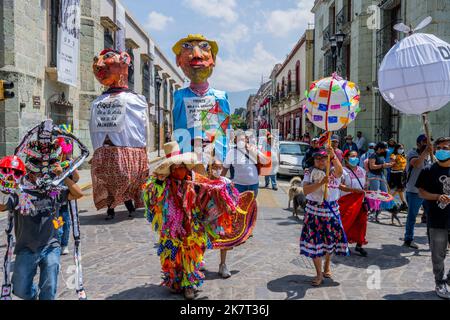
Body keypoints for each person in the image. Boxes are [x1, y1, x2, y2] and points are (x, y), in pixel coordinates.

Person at [143, 141, 239, 300]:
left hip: (192, 225)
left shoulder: (195, 178)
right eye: (174, 167)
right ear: (170, 169)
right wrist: (158, 182)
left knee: (190, 254)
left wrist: (222, 191)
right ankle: (174, 280)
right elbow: (150, 196)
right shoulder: (163, 182)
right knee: (172, 254)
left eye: (180, 165)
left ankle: (189, 285)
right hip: (171, 227)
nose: (178, 169)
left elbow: (210, 188)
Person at [1, 125, 84, 300]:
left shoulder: (55, 190)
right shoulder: (21, 192)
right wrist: (6, 185)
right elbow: (2, 206)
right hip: (25, 248)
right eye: (36, 167)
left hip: (50, 247)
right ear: (29, 170)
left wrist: (64, 176)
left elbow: (78, 193)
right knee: (21, 290)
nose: (40, 173)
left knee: (49, 289)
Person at [91, 49, 149, 220]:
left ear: (124, 61)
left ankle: (128, 206)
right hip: (106, 152)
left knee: (127, 180)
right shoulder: (97, 102)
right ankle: (111, 208)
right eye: (98, 60)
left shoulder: (136, 99)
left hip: (128, 152)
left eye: (107, 58)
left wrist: (143, 148)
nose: (99, 64)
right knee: (110, 183)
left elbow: (142, 127)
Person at [172, 34, 231, 163]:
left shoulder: (219, 97)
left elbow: (223, 134)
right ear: (178, 60)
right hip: (186, 163)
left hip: (213, 162)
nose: (197, 55)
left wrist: (222, 162)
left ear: (213, 59)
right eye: (187, 47)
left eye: (204, 47)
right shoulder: (179, 97)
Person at [300, 147, 348, 287]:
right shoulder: (309, 172)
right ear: (313, 160)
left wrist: (333, 156)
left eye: (323, 158)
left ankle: (327, 265)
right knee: (315, 244)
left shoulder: (334, 171)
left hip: (331, 211)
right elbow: (306, 190)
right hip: (314, 213)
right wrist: (321, 183)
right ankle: (319, 274)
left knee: (330, 243)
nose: (320, 161)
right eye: (317, 159)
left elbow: (340, 172)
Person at [415, 137, 450, 299]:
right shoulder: (428, 170)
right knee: (438, 254)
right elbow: (421, 192)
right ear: (435, 150)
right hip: (437, 219)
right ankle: (440, 281)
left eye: (447, 147)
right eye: (440, 147)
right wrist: (437, 196)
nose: (443, 150)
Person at [403, 134, 433, 249]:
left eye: (429, 142)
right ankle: (408, 239)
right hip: (414, 191)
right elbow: (416, 164)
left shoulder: (431, 156)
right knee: (412, 216)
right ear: (418, 143)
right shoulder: (412, 153)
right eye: (425, 142)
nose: (427, 144)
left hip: (428, 192)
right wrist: (425, 152)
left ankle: (432, 240)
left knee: (431, 216)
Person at [339, 150, 369, 257]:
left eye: (356, 156)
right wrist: (353, 190)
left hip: (360, 201)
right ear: (346, 158)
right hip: (347, 201)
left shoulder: (362, 170)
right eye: (352, 156)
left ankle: (359, 244)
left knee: (362, 222)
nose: (355, 158)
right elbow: (339, 186)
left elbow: (365, 182)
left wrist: (366, 186)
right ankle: (342, 244)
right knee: (346, 222)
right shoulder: (342, 171)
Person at [222, 130, 270, 197]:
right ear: (235, 141)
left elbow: (266, 160)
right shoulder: (232, 152)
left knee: (251, 206)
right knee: (238, 206)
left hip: (253, 185)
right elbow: (224, 169)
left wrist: (252, 151)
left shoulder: (253, 149)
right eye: (238, 139)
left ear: (246, 140)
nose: (240, 141)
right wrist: (220, 183)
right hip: (238, 186)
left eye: (242, 139)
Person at [368, 142, 393, 222]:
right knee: (375, 194)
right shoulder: (373, 155)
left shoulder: (382, 155)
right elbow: (372, 166)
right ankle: (373, 212)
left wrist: (388, 164)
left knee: (384, 193)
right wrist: (383, 166)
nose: (385, 150)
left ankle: (378, 212)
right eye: (384, 149)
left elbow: (383, 164)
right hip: (374, 175)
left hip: (381, 175)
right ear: (379, 148)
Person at [389, 143, 408, 212]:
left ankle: (403, 203)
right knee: (399, 189)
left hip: (402, 174)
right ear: (396, 149)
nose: (401, 149)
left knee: (400, 189)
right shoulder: (394, 155)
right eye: (400, 148)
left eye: (402, 148)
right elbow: (391, 162)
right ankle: (389, 199)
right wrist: (392, 162)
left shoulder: (403, 156)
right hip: (396, 174)